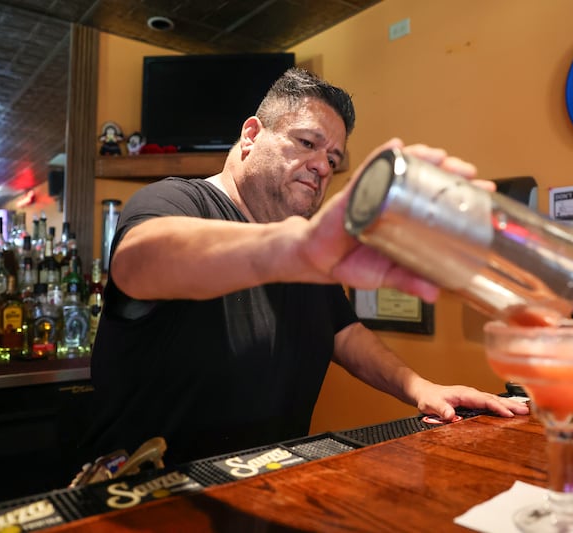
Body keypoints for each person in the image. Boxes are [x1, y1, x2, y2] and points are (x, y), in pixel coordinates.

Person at [84, 68, 528, 466]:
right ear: (252, 134)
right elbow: (139, 263)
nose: (321, 166)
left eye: (333, 160)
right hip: (146, 496)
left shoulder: (307, 245)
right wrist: (296, 248)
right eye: (307, 142)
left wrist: (420, 388)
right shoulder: (174, 202)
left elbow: (345, 334)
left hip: (266, 489)